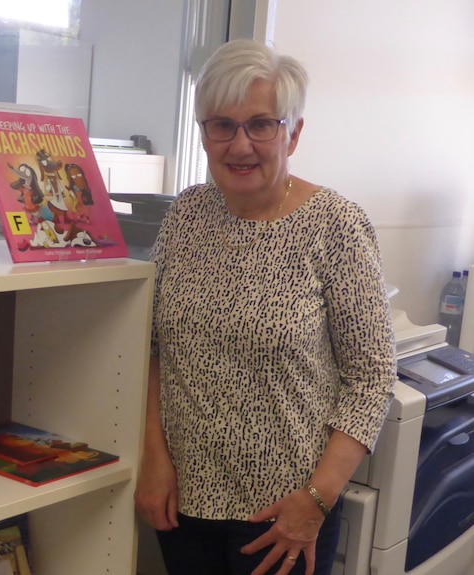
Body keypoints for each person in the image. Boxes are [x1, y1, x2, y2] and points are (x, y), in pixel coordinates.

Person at [133, 39, 396, 575]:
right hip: (183, 498)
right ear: (204, 133)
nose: (240, 145)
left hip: (286, 510)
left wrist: (315, 501)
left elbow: (372, 379)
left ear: (293, 132)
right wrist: (153, 458)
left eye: (261, 125)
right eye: (221, 126)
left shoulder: (336, 226)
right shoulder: (186, 216)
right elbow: (154, 348)